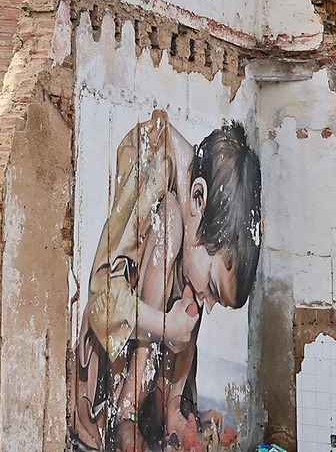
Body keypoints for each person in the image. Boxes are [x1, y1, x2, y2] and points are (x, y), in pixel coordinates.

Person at [71, 110, 262, 451]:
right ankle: (126, 417)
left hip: (153, 379)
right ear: (199, 199)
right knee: (171, 224)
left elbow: (193, 293)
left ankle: (170, 408)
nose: (209, 302)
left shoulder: (197, 207)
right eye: (216, 289)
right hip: (105, 376)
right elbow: (102, 299)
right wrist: (164, 326)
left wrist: (177, 407)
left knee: (193, 285)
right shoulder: (151, 157)